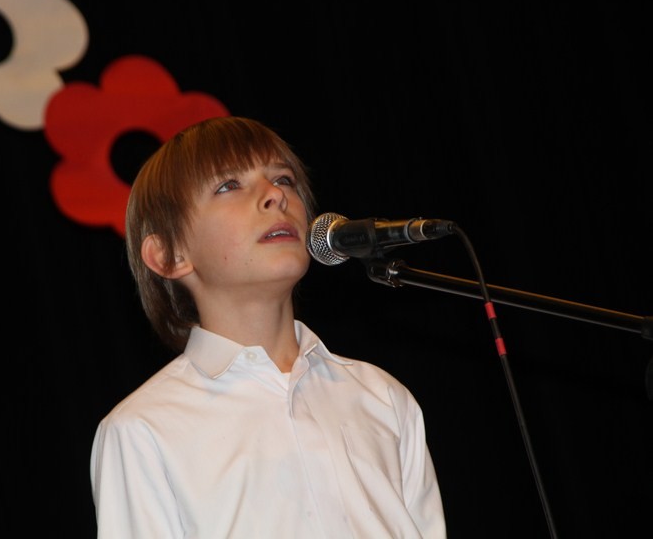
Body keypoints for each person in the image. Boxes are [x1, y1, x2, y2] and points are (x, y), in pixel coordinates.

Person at [90, 116, 446, 538]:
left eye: (284, 179)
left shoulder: (382, 397)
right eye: (229, 185)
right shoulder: (143, 429)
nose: (275, 195)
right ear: (169, 255)